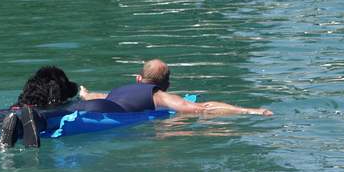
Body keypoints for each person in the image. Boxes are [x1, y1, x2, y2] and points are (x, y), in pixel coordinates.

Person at [80, 59, 273, 116]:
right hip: (106, 113)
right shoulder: (159, 95)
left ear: (138, 79)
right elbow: (202, 108)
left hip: (92, 106)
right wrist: (249, 111)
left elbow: (96, 97)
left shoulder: (120, 89)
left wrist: (84, 93)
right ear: (167, 85)